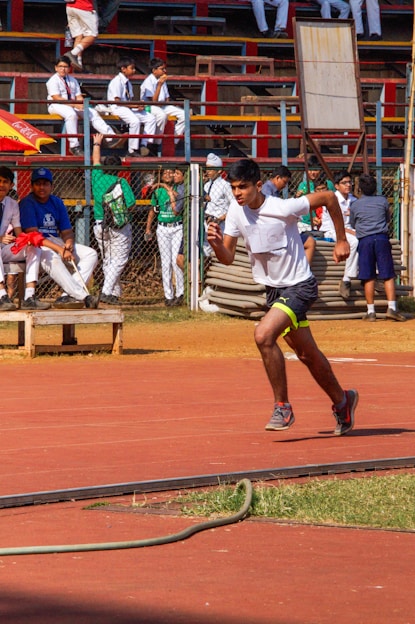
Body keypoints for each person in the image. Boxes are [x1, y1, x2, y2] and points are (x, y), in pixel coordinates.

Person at [207, 158, 358, 436]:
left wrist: (341, 240)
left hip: (300, 286)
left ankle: (282, 406)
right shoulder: (235, 211)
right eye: (233, 188)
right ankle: (342, 400)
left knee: (263, 335)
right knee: (306, 354)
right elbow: (227, 258)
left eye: (243, 187)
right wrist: (216, 243)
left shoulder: (282, 207)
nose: (237, 193)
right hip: (274, 291)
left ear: (258, 185)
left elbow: (328, 198)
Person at [19, 167, 99, 309]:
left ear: (51, 186)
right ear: (32, 186)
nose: (42, 187)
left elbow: (67, 231)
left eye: (45, 183)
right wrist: (60, 250)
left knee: (90, 254)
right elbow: (34, 235)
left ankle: (67, 296)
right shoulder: (27, 203)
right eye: (38, 183)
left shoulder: (56, 202)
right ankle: (82, 296)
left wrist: (68, 244)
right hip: (37, 245)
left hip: (56, 241)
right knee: (53, 257)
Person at [350, 173, 406, 322]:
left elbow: (353, 224)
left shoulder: (355, 204)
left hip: (365, 240)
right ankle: (392, 308)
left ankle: (371, 312)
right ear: (375, 188)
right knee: (388, 274)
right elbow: (387, 219)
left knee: (368, 276)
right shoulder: (382, 201)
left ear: (360, 189)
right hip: (381, 238)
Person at [91, 133, 136, 305]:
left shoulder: (97, 177)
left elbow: (95, 161)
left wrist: (97, 143)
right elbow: (131, 204)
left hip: (100, 224)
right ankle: (106, 291)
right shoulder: (121, 182)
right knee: (120, 259)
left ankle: (113, 294)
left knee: (108, 259)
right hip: (119, 225)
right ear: (119, 168)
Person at [47, 55, 119, 156]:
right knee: (71, 114)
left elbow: (78, 96)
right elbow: (56, 98)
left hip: (71, 104)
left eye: (65, 67)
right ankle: (74, 146)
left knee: (92, 112)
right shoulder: (53, 80)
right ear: (56, 68)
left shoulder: (73, 80)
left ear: (69, 68)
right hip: (56, 105)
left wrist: (81, 104)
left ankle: (111, 137)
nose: (63, 69)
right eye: (60, 66)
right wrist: (74, 105)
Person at [0, 166, 50, 311]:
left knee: (33, 246)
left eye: (5, 182)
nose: (1, 185)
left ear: (11, 185)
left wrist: (25, 240)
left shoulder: (12, 204)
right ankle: (2, 295)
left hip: (4, 248)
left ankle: (29, 295)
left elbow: (18, 231)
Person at [145, 168, 184, 306]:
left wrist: (163, 185)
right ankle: (168, 296)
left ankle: (180, 293)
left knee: (176, 261)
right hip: (163, 228)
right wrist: (148, 228)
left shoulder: (179, 188)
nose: (168, 175)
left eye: (170, 172)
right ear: (160, 176)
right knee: (166, 262)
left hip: (177, 227)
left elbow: (176, 195)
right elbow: (152, 210)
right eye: (165, 173)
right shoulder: (157, 192)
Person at [107, 57, 157, 157]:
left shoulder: (128, 83)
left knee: (151, 118)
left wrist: (138, 106)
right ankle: (132, 149)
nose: (134, 71)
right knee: (135, 121)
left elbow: (128, 100)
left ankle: (144, 144)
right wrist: (133, 105)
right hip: (117, 108)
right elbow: (117, 101)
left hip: (127, 107)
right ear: (123, 69)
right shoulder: (116, 81)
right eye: (132, 68)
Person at [320, 170, 359, 299]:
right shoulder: (332, 199)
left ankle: (372, 276)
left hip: (350, 231)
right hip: (332, 231)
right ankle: (346, 280)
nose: (348, 185)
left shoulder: (353, 200)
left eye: (350, 182)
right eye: (344, 183)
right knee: (354, 242)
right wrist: (352, 232)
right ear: (336, 186)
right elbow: (335, 225)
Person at [140, 58, 185, 147]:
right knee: (162, 116)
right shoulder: (148, 81)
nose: (164, 71)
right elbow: (153, 101)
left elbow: (167, 98)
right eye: (162, 69)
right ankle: (156, 143)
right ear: (154, 70)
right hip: (149, 106)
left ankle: (174, 140)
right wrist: (159, 85)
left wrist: (170, 106)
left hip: (163, 105)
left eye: (164, 68)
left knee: (184, 114)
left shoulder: (162, 80)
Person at [203, 153, 234, 257]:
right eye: (207, 168)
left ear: (219, 170)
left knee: (216, 250)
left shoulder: (225, 185)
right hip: (206, 221)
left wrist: (222, 217)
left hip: (219, 222)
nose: (208, 171)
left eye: (211, 169)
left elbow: (234, 205)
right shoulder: (206, 185)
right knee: (205, 250)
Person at [65, 0, 98, 71]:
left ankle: (78, 64)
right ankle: (72, 53)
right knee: (92, 35)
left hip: (70, 7)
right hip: (84, 7)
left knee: (79, 35)